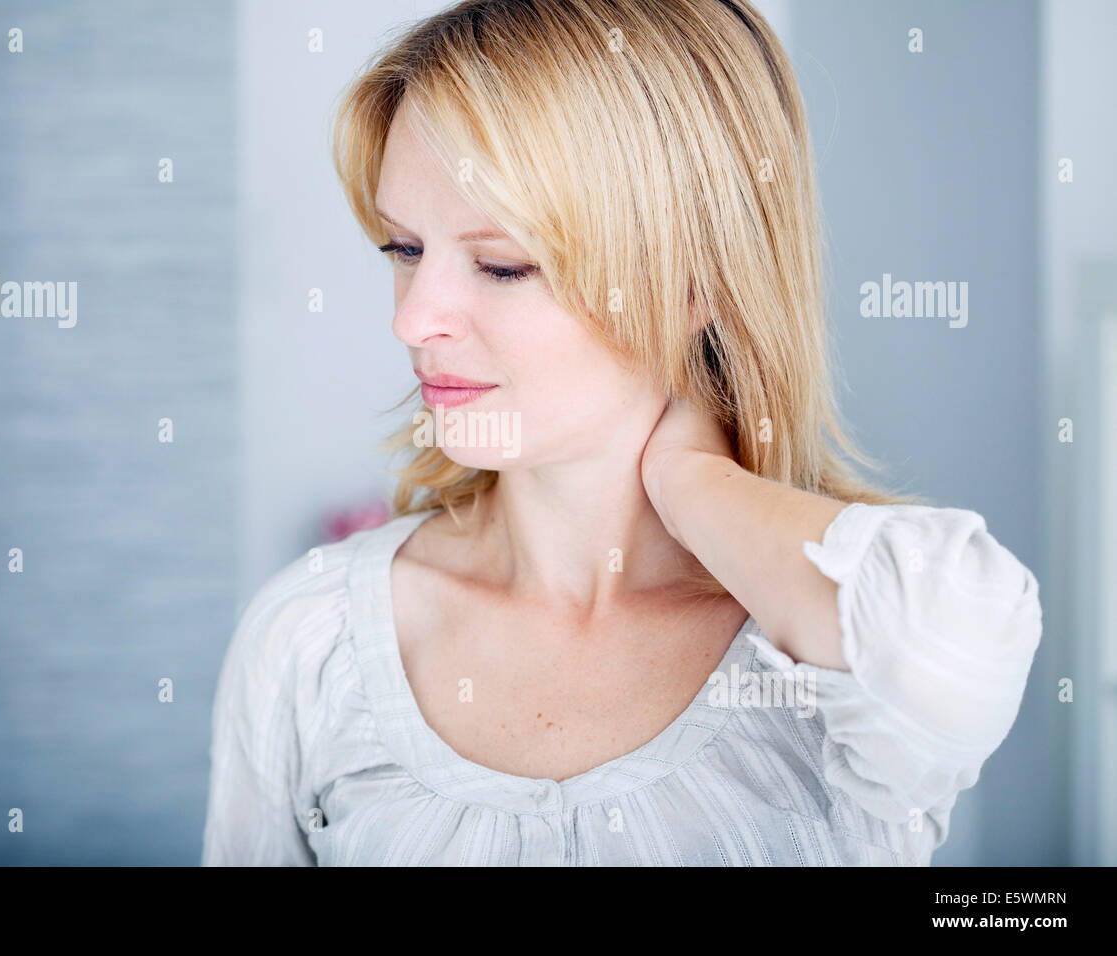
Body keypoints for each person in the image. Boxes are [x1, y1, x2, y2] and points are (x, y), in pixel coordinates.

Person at [202, 0, 1042, 865]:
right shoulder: (310, 639)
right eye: (404, 249)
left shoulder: (830, 666)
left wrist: (689, 480)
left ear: (696, 284)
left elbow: (957, 634)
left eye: (503, 265)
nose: (414, 321)